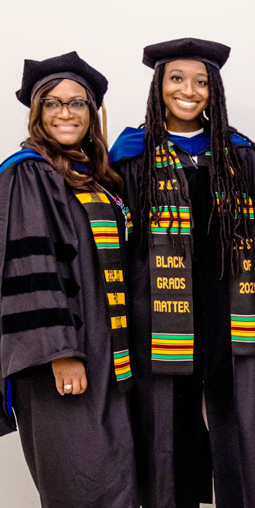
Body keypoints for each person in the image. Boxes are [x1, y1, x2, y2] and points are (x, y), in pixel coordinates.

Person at [110, 38, 255, 508]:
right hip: (157, 309)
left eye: (201, 82)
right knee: (165, 421)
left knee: (230, 415)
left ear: (214, 90)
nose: (189, 90)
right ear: (159, 86)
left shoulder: (237, 151)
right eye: (176, 79)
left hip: (226, 306)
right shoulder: (131, 151)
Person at [0, 51, 138, 506]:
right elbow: (30, 268)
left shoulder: (95, 179)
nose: (65, 113)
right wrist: (61, 354)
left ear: (91, 113)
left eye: (77, 103)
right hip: (62, 356)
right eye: (53, 103)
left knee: (114, 477)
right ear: (37, 112)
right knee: (81, 484)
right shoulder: (29, 174)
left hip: (106, 353)